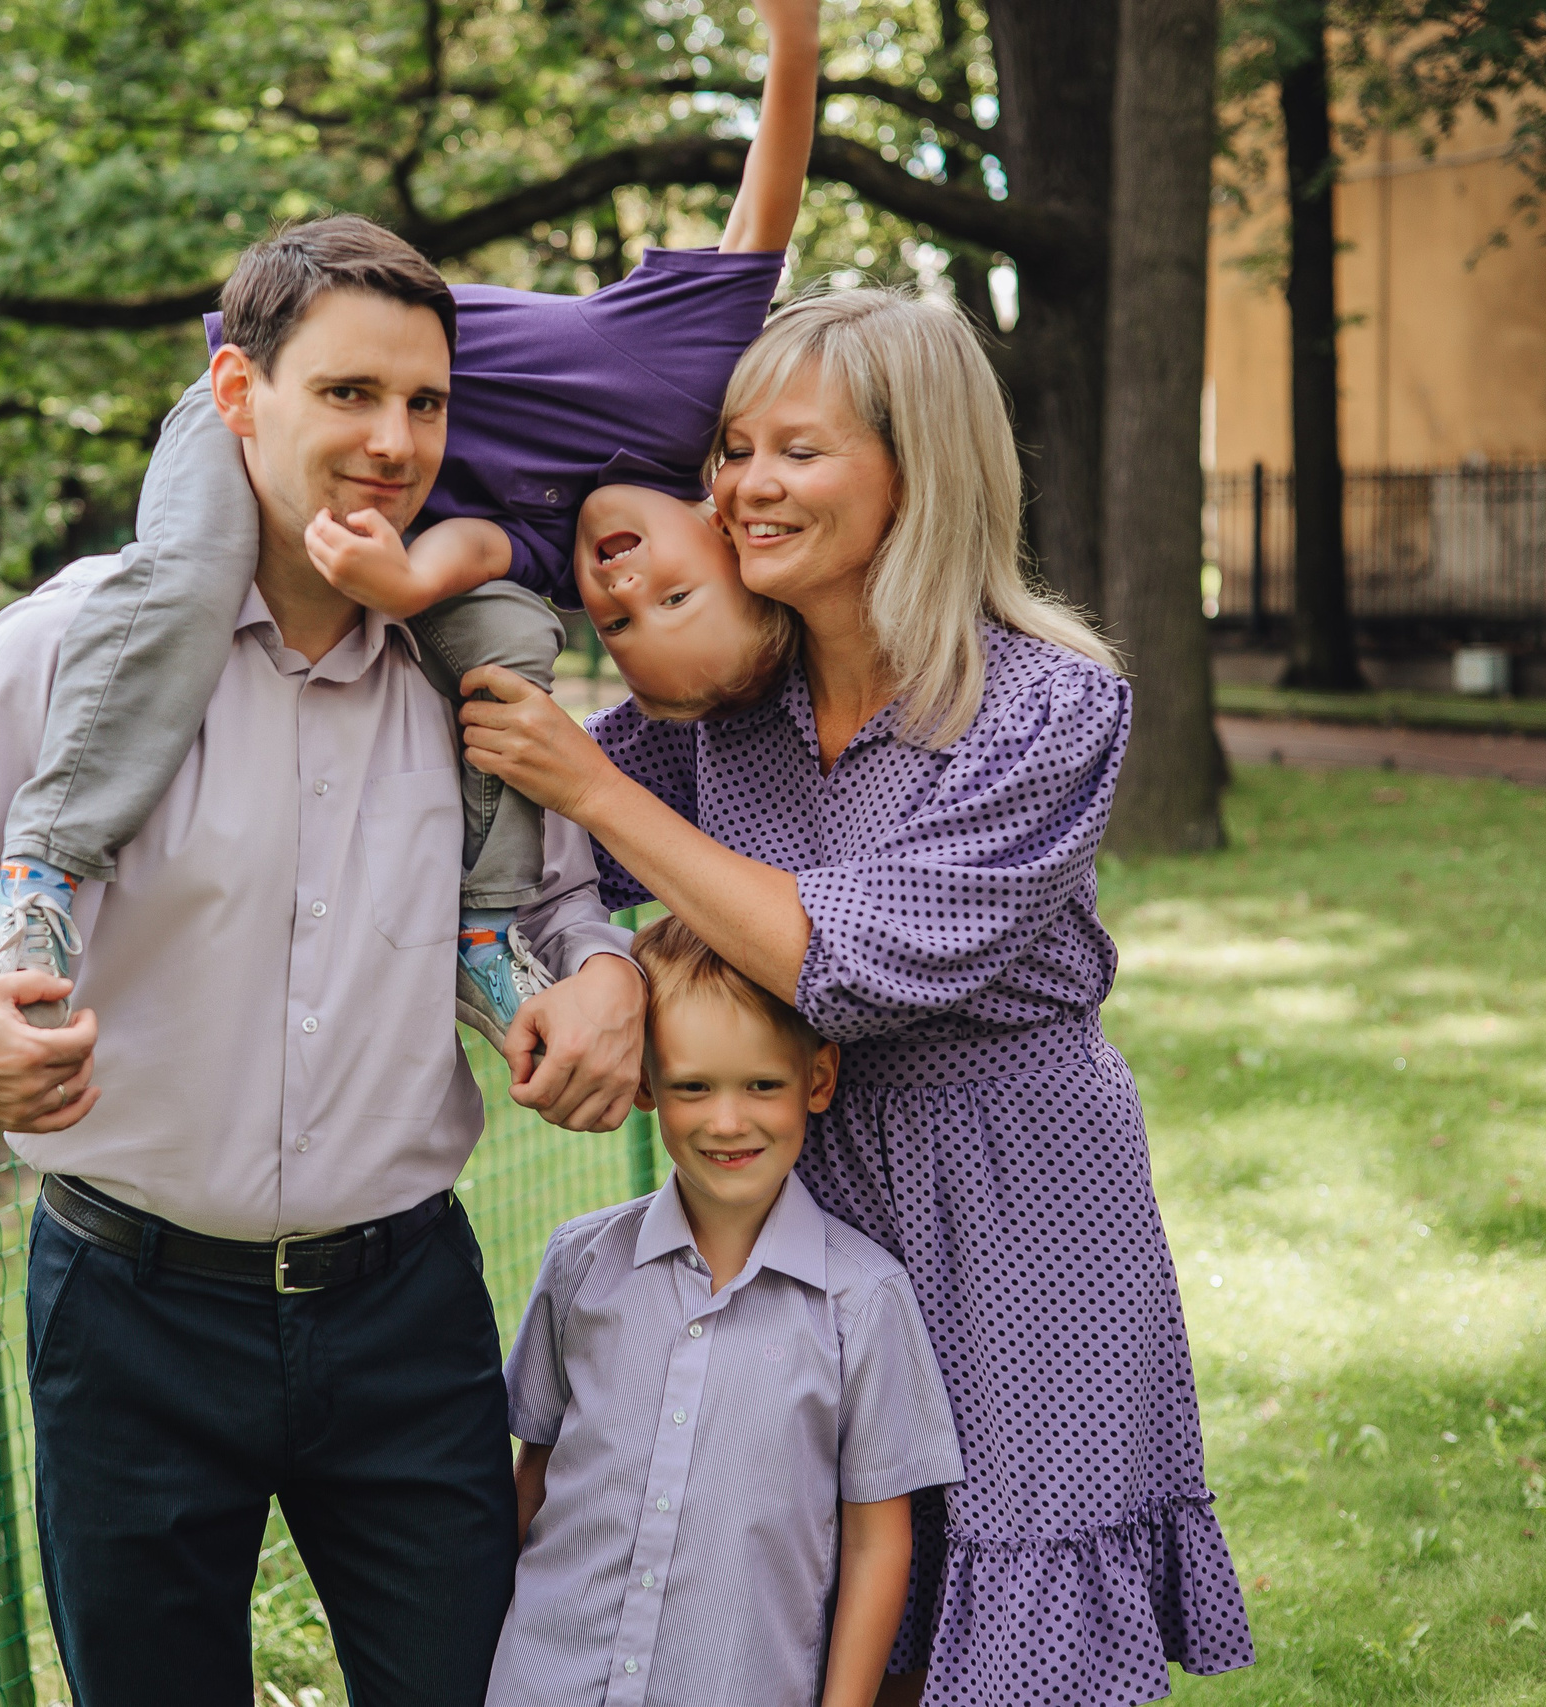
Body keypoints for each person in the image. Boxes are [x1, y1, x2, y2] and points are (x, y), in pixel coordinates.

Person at [0, 219, 650, 1706]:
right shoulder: (70, 643)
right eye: (348, 394)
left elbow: (561, 917)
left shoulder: (477, 681)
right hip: (127, 1314)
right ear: (237, 391)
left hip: (406, 1312)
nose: (395, 441)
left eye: (426, 403)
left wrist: (600, 985)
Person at [457, 288, 1257, 1704]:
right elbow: (531, 858)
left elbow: (869, 959)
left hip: (1015, 1193)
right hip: (798, 1179)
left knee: (1011, 1582)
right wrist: (591, 973)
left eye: (798, 452)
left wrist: (589, 786)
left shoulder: (1044, 704)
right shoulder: (724, 716)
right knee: (822, 1579)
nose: (747, 486)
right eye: (735, 450)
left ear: (919, 467)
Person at [0, 0, 823, 1050]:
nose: (622, 592)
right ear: (726, 536)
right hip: (274, 404)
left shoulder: (571, 566)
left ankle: (483, 929)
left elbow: (467, 556)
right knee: (192, 580)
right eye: (677, 594)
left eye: (628, 624)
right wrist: (794, 40)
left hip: (378, 504)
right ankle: (44, 870)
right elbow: (764, 217)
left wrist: (406, 587)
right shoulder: (683, 379)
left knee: (513, 642)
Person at [489, 916, 963, 1707]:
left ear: (817, 1079)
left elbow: (881, 1539)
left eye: (762, 1085)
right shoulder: (580, 1265)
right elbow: (531, 1481)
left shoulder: (864, 1300)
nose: (727, 1120)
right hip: (546, 1682)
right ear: (645, 1084)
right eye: (693, 1086)